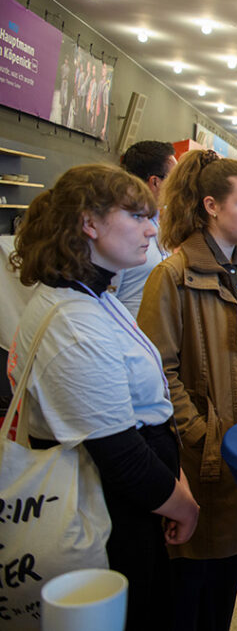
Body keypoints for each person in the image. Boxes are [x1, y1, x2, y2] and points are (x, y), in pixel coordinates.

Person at [8, 164, 199, 631]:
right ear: (89, 223)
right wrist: (183, 505)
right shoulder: (75, 322)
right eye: (136, 216)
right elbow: (119, 454)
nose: (152, 229)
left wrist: (174, 483)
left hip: (133, 507)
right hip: (107, 515)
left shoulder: (94, 296)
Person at [137, 149, 237, 631]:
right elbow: (156, 373)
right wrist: (200, 432)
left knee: (225, 579)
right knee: (188, 593)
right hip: (197, 458)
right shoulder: (172, 275)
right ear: (211, 206)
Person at [115, 140, 177, 317]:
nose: (178, 186)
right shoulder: (121, 232)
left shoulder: (158, 221)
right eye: (174, 179)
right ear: (155, 182)